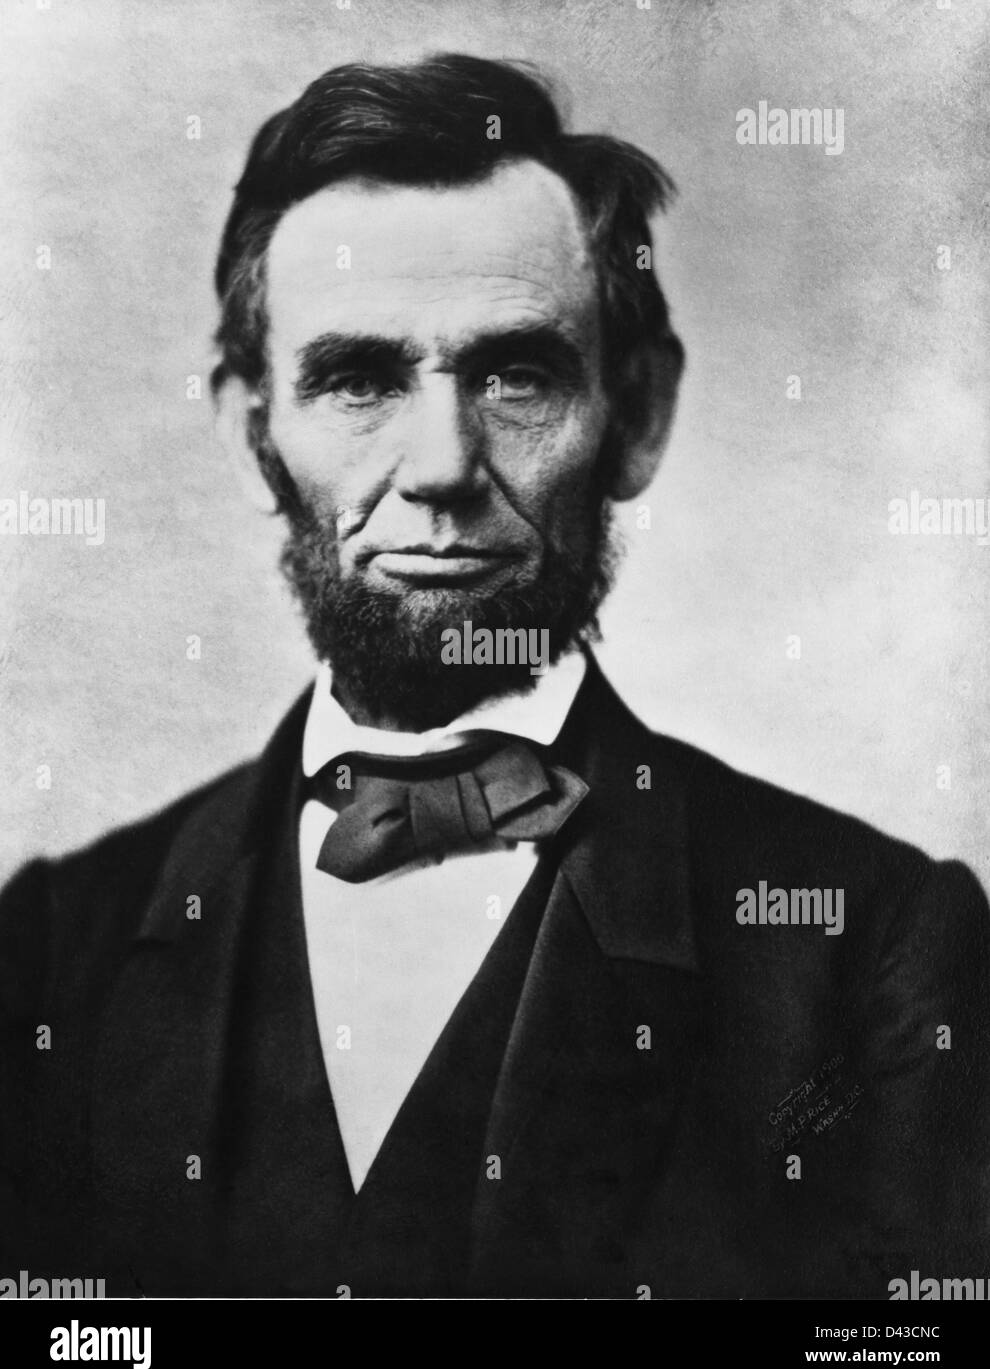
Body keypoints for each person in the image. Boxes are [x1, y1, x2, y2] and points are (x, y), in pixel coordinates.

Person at [1, 53, 987, 1300]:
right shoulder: (48, 952)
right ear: (250, 429)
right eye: (358, 379)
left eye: (516, 374)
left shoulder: (873, 948)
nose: (441, 467)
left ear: (636, 417)